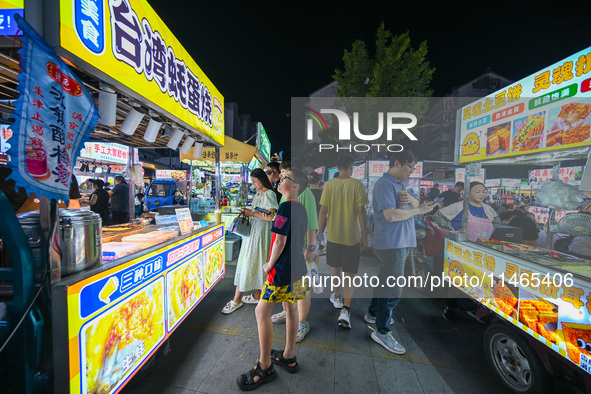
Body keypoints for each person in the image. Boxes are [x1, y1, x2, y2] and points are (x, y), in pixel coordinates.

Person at [235, 169, 309, 390]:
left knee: (261, 312)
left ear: (295, 186)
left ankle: (265, 366)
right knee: (290, 309)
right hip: (297, 269)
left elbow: (279, 241)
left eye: (285, 178)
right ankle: (289, 355)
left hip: (281, 270)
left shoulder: (286, 206)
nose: (280, 179)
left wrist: (269, 264)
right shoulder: (301, 208)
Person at [366, 151, 434, 354]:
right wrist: (417, 211)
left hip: (399, 242)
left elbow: (419, 206)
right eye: (410, 166)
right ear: (397, 163)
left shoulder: (399, 184)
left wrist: (413, 203)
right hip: (393, 243)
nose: (412, 171)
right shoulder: (385, 184)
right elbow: (390, 215)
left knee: (384, 281)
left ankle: (373, 314)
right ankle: (382, 331)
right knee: (392, 288)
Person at [434, 182, 500, 321]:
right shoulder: (459, 206)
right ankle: (450, 308)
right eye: (477, 191)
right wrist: (452, 230)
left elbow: (497, 221)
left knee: (478, 282)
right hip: (460, 251)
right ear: (468, 193)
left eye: (483, 191)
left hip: (481, 252)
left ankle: (475, 309)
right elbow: (437, 216)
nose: (481, 194)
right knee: (456, 279)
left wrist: (488, 234)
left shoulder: (488, 209)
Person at [317, 154, 369, 329]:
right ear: (350, 166)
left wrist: (318, 233)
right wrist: (364, 236)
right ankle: (346, 310)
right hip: (352, 237)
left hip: (333, 236)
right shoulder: (357, 185)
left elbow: (323, 211)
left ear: (338, 167)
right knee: (350, 274)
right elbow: (362, 212)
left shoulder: (329, 185)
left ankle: (337, 297)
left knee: (335, 268)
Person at [270, 160, 318, 343]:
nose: (281, 176)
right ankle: (288, 311)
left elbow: (312, 224)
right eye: (281, 173)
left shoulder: (306, 195)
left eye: (284, 173)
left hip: (302, 249)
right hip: (288, 250)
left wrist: (310, 248)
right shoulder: (285, 194)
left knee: (303, 288)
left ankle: (303, 323)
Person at [222, 168, 278, 314]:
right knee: (255, 262)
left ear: (262, 179)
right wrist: (250, 212)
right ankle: (257, 295)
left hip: (260, 234)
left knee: (248, 263)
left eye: (254, 181)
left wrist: (251, 213)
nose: (253, 184)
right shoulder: (260, 193)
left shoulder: (269, 194)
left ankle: (237, 299)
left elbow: (271, 216)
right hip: (254, 233)